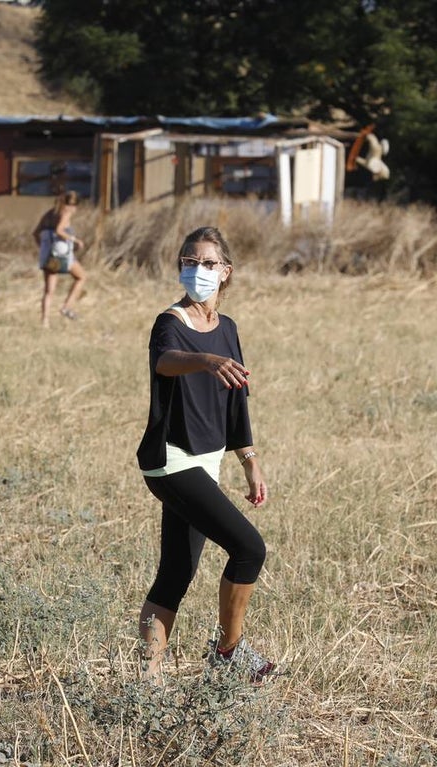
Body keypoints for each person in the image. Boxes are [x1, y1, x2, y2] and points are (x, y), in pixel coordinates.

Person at [135, 226, 275, 685]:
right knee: (249, 548)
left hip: (208, 460)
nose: (197, 270)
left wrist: (249, 459)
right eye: (189, 261)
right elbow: (165, 361)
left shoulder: (228, 329)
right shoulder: (170, 323)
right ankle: (227, 653)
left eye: (208, 263)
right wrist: (205, 361)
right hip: (171, 460)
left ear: (226, 273)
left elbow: (237, 399)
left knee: (176, 570)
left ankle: (147, 683)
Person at [33, 191, 87, 324]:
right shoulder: (65, 213)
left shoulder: (48, 214)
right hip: (62, 256)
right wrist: (75, 240)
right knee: (82, 277)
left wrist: (43, 248)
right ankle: (67, 306)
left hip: (49, 255)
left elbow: (35, 233)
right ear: (72, 205)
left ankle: (45, 321)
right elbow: (59, 230)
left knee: (49, 290)